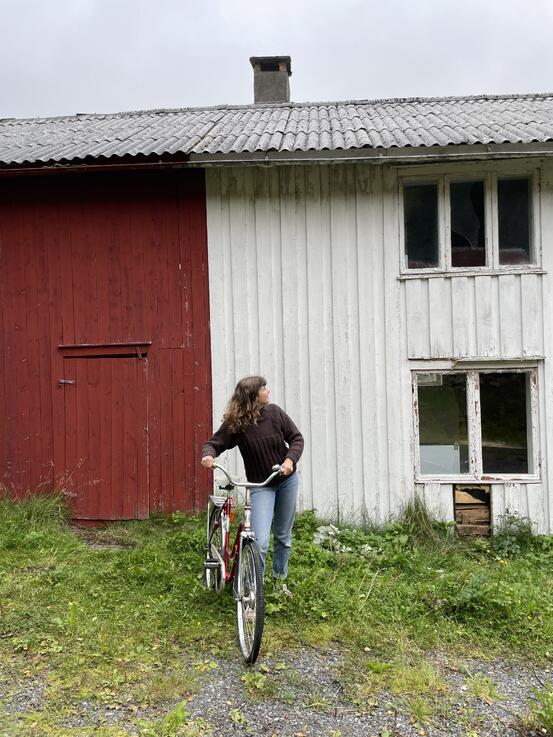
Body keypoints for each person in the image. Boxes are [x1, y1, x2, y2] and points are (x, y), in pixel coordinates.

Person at [201, 376, 304, 587]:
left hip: (286, 481)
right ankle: (253, 592)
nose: (268, 390)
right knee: (260, 542)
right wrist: (208, 455)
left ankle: (279, 582)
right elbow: (214, 443)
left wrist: (289, 460)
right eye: (264, 388)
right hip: (261, 486)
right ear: (252, 395)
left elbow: (296, 438)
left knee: (283, 537)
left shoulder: (274, 413)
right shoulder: (237, 424)